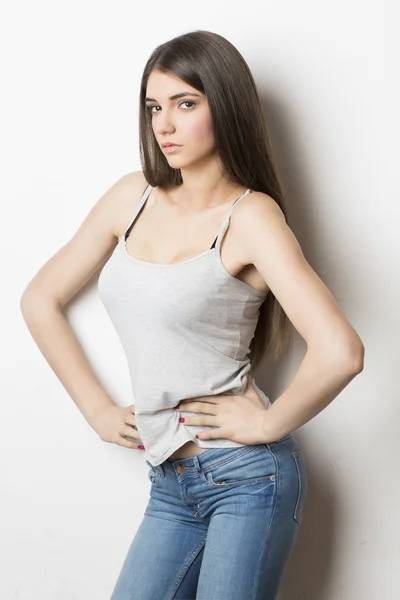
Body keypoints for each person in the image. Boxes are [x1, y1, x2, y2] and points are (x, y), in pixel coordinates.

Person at [20, 30, 364, 600]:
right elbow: (40, 299)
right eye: (154, 107)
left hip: (247, 480)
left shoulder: (250, 217)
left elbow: (341, 351)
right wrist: (97, 411)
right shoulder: (130, 197)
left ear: (224, 106)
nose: (164, 125)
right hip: (169, 482)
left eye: (185, 104)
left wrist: (264, 425)